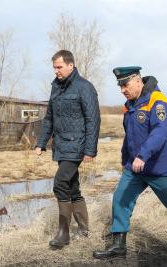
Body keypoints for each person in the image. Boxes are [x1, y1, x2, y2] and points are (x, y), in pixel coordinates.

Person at [93, 66, 167, 264]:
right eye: (120, 86)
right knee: (120, 199)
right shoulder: (130, 104)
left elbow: (160, 132)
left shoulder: (157, 101)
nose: (122, 90)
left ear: (137, 81)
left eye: (125, 85)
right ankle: (119, 245)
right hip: (135, 168)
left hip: (158, 168)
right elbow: (130, 135)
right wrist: (126, 158)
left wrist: (142, 156)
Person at [35, 50, 100, 250]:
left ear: (70, 66)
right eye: (54, 67)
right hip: (61, 146)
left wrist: (90, 150)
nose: (56, 71)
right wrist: (41, 142)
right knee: (72, 186)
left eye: (59, 67)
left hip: (77, 145)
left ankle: (63, 233)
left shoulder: (85, 87)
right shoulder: (56, 87)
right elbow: (49, 118)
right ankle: (83, 229)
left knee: (60, 182)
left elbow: (93, 120)